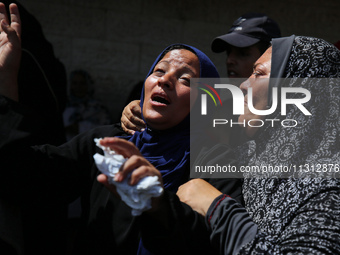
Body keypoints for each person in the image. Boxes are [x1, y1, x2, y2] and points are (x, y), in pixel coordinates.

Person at [0, 3, 242, 254]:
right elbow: (24, 176)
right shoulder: (108, 143)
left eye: (185, 79)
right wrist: (6, 74)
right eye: (159, 70)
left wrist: (158, 203)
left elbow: (222, 239)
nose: (165, 80)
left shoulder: (216, 161)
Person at [176, 35, 340, 254]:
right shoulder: (248, 158)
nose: (243, 85)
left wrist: (218, 209)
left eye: (259, 73)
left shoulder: (328, 189)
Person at [120, 12, 281, 136]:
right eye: (229, 53)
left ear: (270, 56)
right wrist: (142, 111)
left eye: (243, 53)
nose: (230, 60)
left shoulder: (287, 116)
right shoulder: (216, 109)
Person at [63, 69, 112, 141]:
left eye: (82, 83)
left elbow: (105, 131)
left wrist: (80, 127)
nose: (78, 87)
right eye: (75, 83)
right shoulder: (63, 105)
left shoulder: (98, 107)